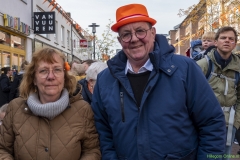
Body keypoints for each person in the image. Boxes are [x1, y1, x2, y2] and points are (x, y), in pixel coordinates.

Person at [91, 3, 226, 160]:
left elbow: (212, 123)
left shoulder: (184, 69)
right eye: (126, 34)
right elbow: (104, 131)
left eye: (140, 31)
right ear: (120, 40)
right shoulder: (105, 80)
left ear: (153, 33)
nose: (134, 39)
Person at [0, 48, 101, 160]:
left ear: (64, 76)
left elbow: (92, 151)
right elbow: (3, 149)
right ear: (34, 78)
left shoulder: (83, 109)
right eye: (43, 71)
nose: (51, 76)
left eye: (57, 70)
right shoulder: (15, 108)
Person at [197, 26, 240, 160]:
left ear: (235, 44)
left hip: (229, 124)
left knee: (224, 157)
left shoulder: (238, 68)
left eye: (231, 39)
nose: (227, 41)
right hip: (205, 123)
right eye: (223, 38)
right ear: (216, 42)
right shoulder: (202, 65)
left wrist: (236, 123)